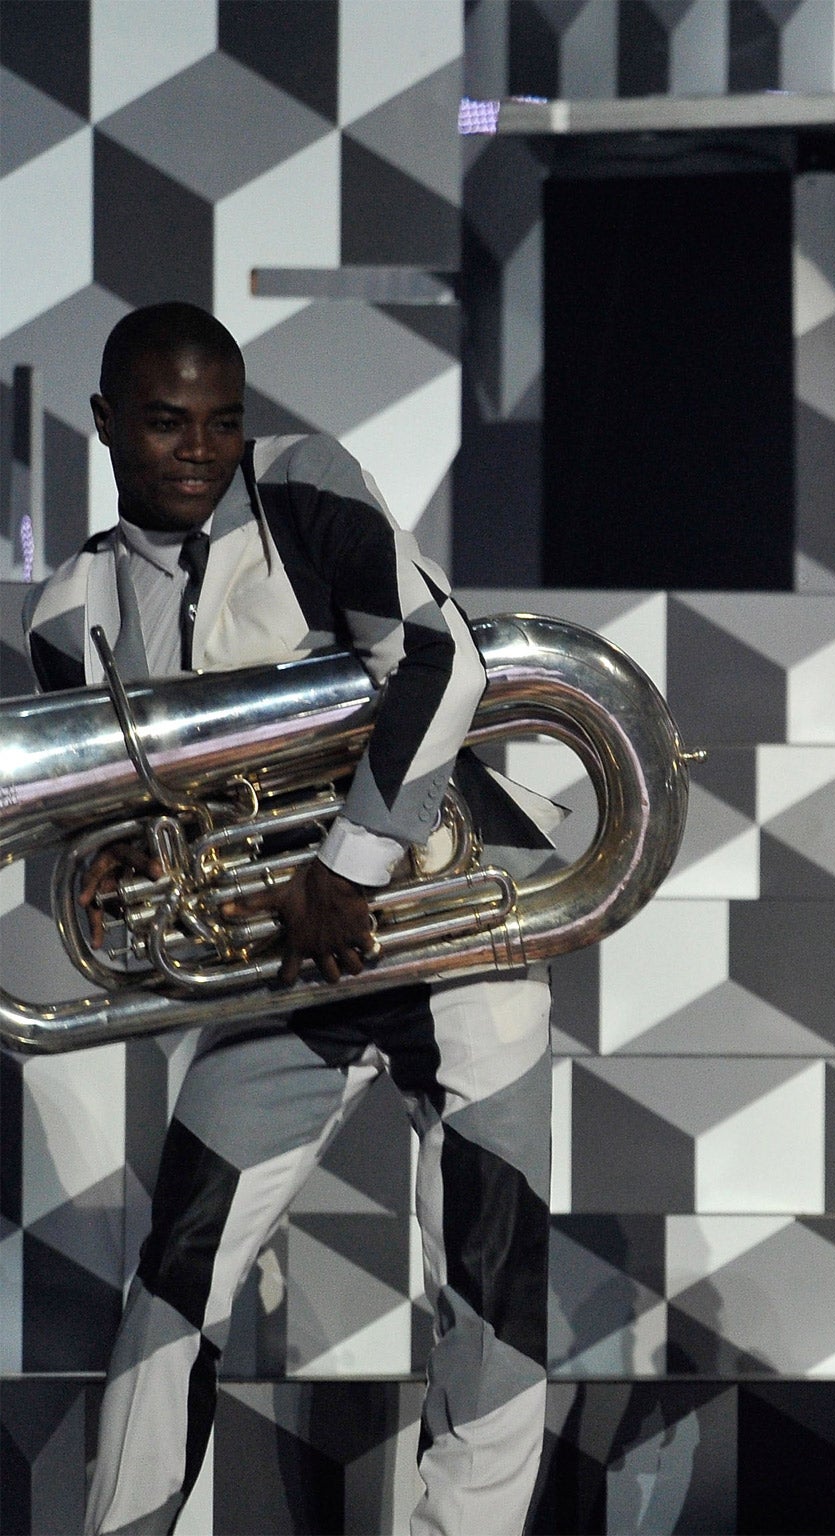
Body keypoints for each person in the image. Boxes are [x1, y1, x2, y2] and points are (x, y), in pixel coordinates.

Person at [27, 303, 558, 1536]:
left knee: (486, 1281)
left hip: (452, 937)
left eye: (221, 421)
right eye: (165, 423)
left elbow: (443, 659)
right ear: (105, 424)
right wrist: (105, 863)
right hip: (280, 974)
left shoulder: (307, 486)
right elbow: (112, 820)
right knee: (174, 1280)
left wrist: (352, 865)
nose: (199, 450)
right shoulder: (68, 610)